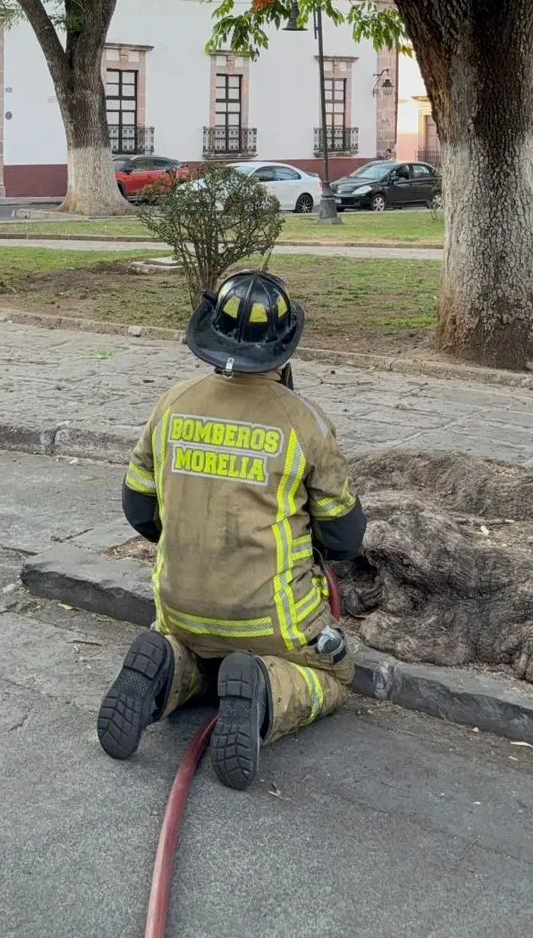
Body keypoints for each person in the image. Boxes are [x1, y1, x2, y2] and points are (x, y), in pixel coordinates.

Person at [96, 269, 366, 790]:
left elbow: (138, 508)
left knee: (199, 655)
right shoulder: (305, 423)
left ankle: (167, 667)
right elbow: (343, 538)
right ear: (284, 348)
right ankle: (265, 687)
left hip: (179, 608)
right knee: (337, 675)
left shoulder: (173, 403)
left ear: (210, 332)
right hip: (273, 621)